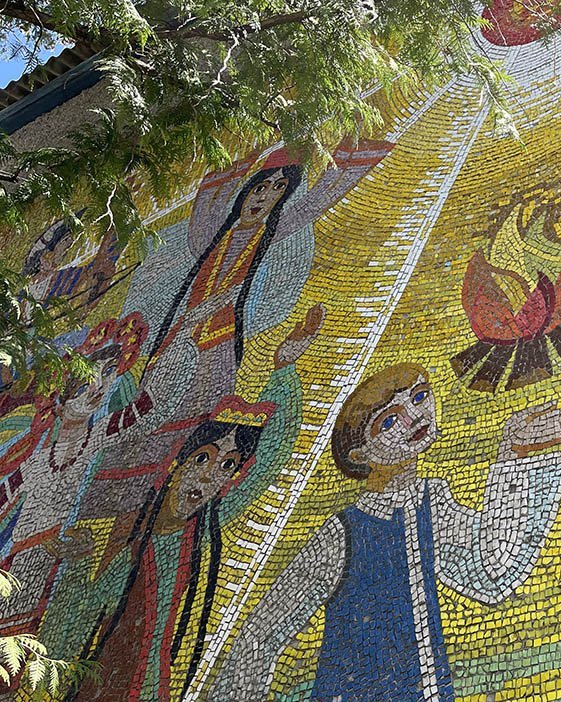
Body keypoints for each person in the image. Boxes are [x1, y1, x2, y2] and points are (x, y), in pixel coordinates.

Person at [210, 364, 561, 701]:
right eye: (390, 420)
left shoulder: (432, 502)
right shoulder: (343, 532)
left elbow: (492, 571)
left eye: (419, 397)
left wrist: (513, 454)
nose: (415, 417)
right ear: (362, 455)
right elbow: (261, 634)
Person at [52, 309, 321, 702]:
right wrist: (77, 563)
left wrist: (284, 371)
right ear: (178, 462)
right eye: (203, 458)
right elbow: (77, 623)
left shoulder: (199, 528)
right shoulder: (132, 537)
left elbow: (268, 460)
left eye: (227, 467)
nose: (211, 476)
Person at [129, 139, 392, 466]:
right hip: (179, 335)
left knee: (197, 417)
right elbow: (209, 197)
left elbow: (314, 205)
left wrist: (347, 158)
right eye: (260, 187)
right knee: (151, 409)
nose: (265, 196)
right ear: (246, 190)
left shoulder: (271, 231)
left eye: (278, 189)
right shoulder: (211, 232)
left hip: (218, 342)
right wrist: (242, 157)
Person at [0, 314, 145, 641]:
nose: (97, 388)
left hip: (45, 570)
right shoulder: (39, 459)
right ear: (60, 403)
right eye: (85, 383)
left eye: (107, 376)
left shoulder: (96, 436)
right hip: (17, 563)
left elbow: (144, 410)